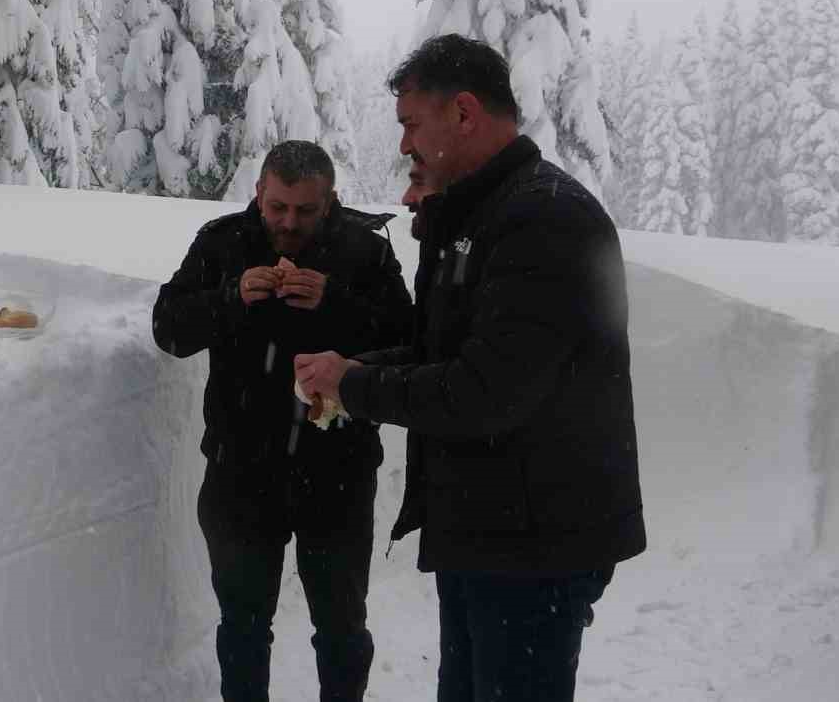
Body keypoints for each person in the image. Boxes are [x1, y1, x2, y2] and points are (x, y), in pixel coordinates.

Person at [294, 34, 647, 702]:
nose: (403, 147)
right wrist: (347, 368)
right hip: (486, 530)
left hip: (538, 542)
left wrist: (354, 384)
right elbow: (441, 351)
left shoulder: (544, 219)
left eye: (410, 125)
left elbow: (484, 392)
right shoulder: (477, 216)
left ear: (463, 113)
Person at [153, 141, 412, 702]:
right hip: (240, 471)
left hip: (338, 473)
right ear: (259, 194)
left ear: (330, 202)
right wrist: (230, 296)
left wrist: (335, 301)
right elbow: (169, 330)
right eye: (277, 208)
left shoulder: (364, 253)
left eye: (304, 211)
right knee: (243, 626)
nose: (288, 224)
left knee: (341, 627)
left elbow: (410, 343)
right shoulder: (222, 243)